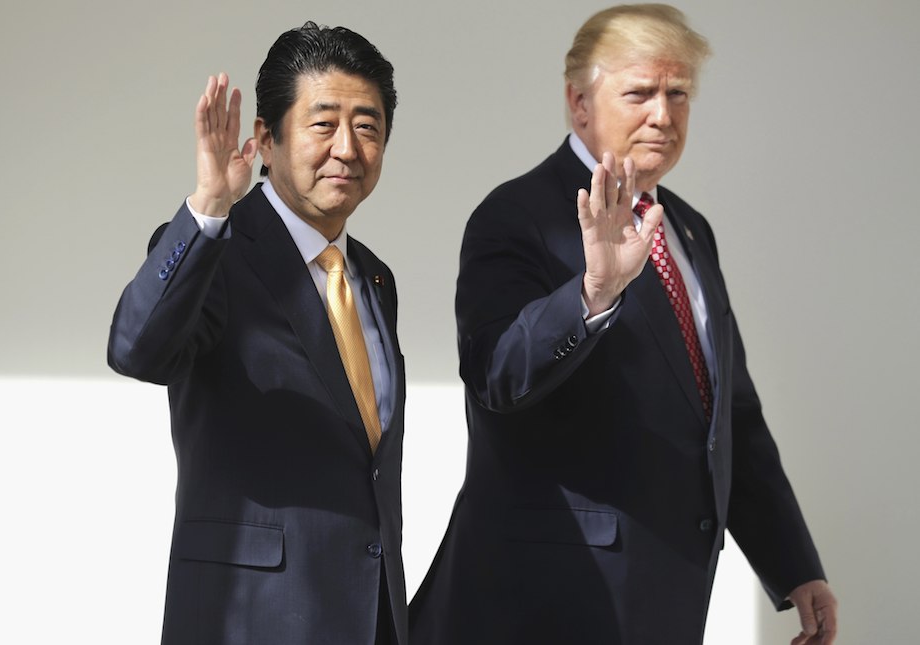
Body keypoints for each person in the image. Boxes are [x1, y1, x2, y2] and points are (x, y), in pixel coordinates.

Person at [408, 4, 837, 644]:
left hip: (663, 599)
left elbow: (729, 417)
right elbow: (497, 375)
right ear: (579, 102)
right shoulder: (515, 215)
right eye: (640, 93)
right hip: (543, 604)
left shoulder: (687, 228)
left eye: (679, 94)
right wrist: (593, 293)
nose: (663, 115)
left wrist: (794, 567)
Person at [107, 22, 405, 645]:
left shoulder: (374, 279)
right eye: (323, 124)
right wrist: (208, 210)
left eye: (368, 126)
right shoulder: (217, 251)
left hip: (369, 621)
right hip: (250, 619)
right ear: (266, 140)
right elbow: (137, 349)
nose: (348, 148)